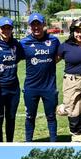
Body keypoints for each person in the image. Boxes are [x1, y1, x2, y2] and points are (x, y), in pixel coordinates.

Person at [20, 12, 60, 142]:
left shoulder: (54, 40)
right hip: (31, 87)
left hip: (49, 87)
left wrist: (48, 62)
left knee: (51, 117)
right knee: (30, 117)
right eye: (33, 24)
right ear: (30, 26)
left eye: (38, 24)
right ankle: (28, 142)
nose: (36, 27)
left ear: (44, 25)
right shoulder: (24, 43)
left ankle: (53, 142)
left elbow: (59, 56)